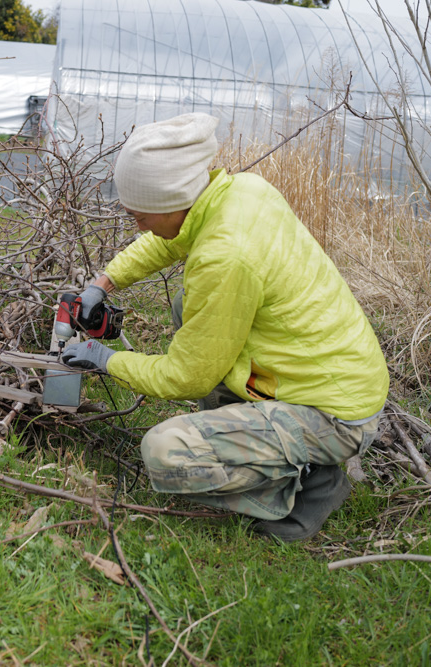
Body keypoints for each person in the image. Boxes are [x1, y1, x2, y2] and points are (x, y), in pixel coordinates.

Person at [60, 113, 389, 542]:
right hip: (316, 376)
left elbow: (186, 376)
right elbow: (171, 237)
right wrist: (104, 283)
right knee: (187, 305)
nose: (136, 225)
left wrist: (107, 359)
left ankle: (305, 487)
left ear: (174, 199)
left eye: (140, 215)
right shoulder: (241, 192)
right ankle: (253, 438)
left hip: (332, 413)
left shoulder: (225, 257)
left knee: (165, 453)